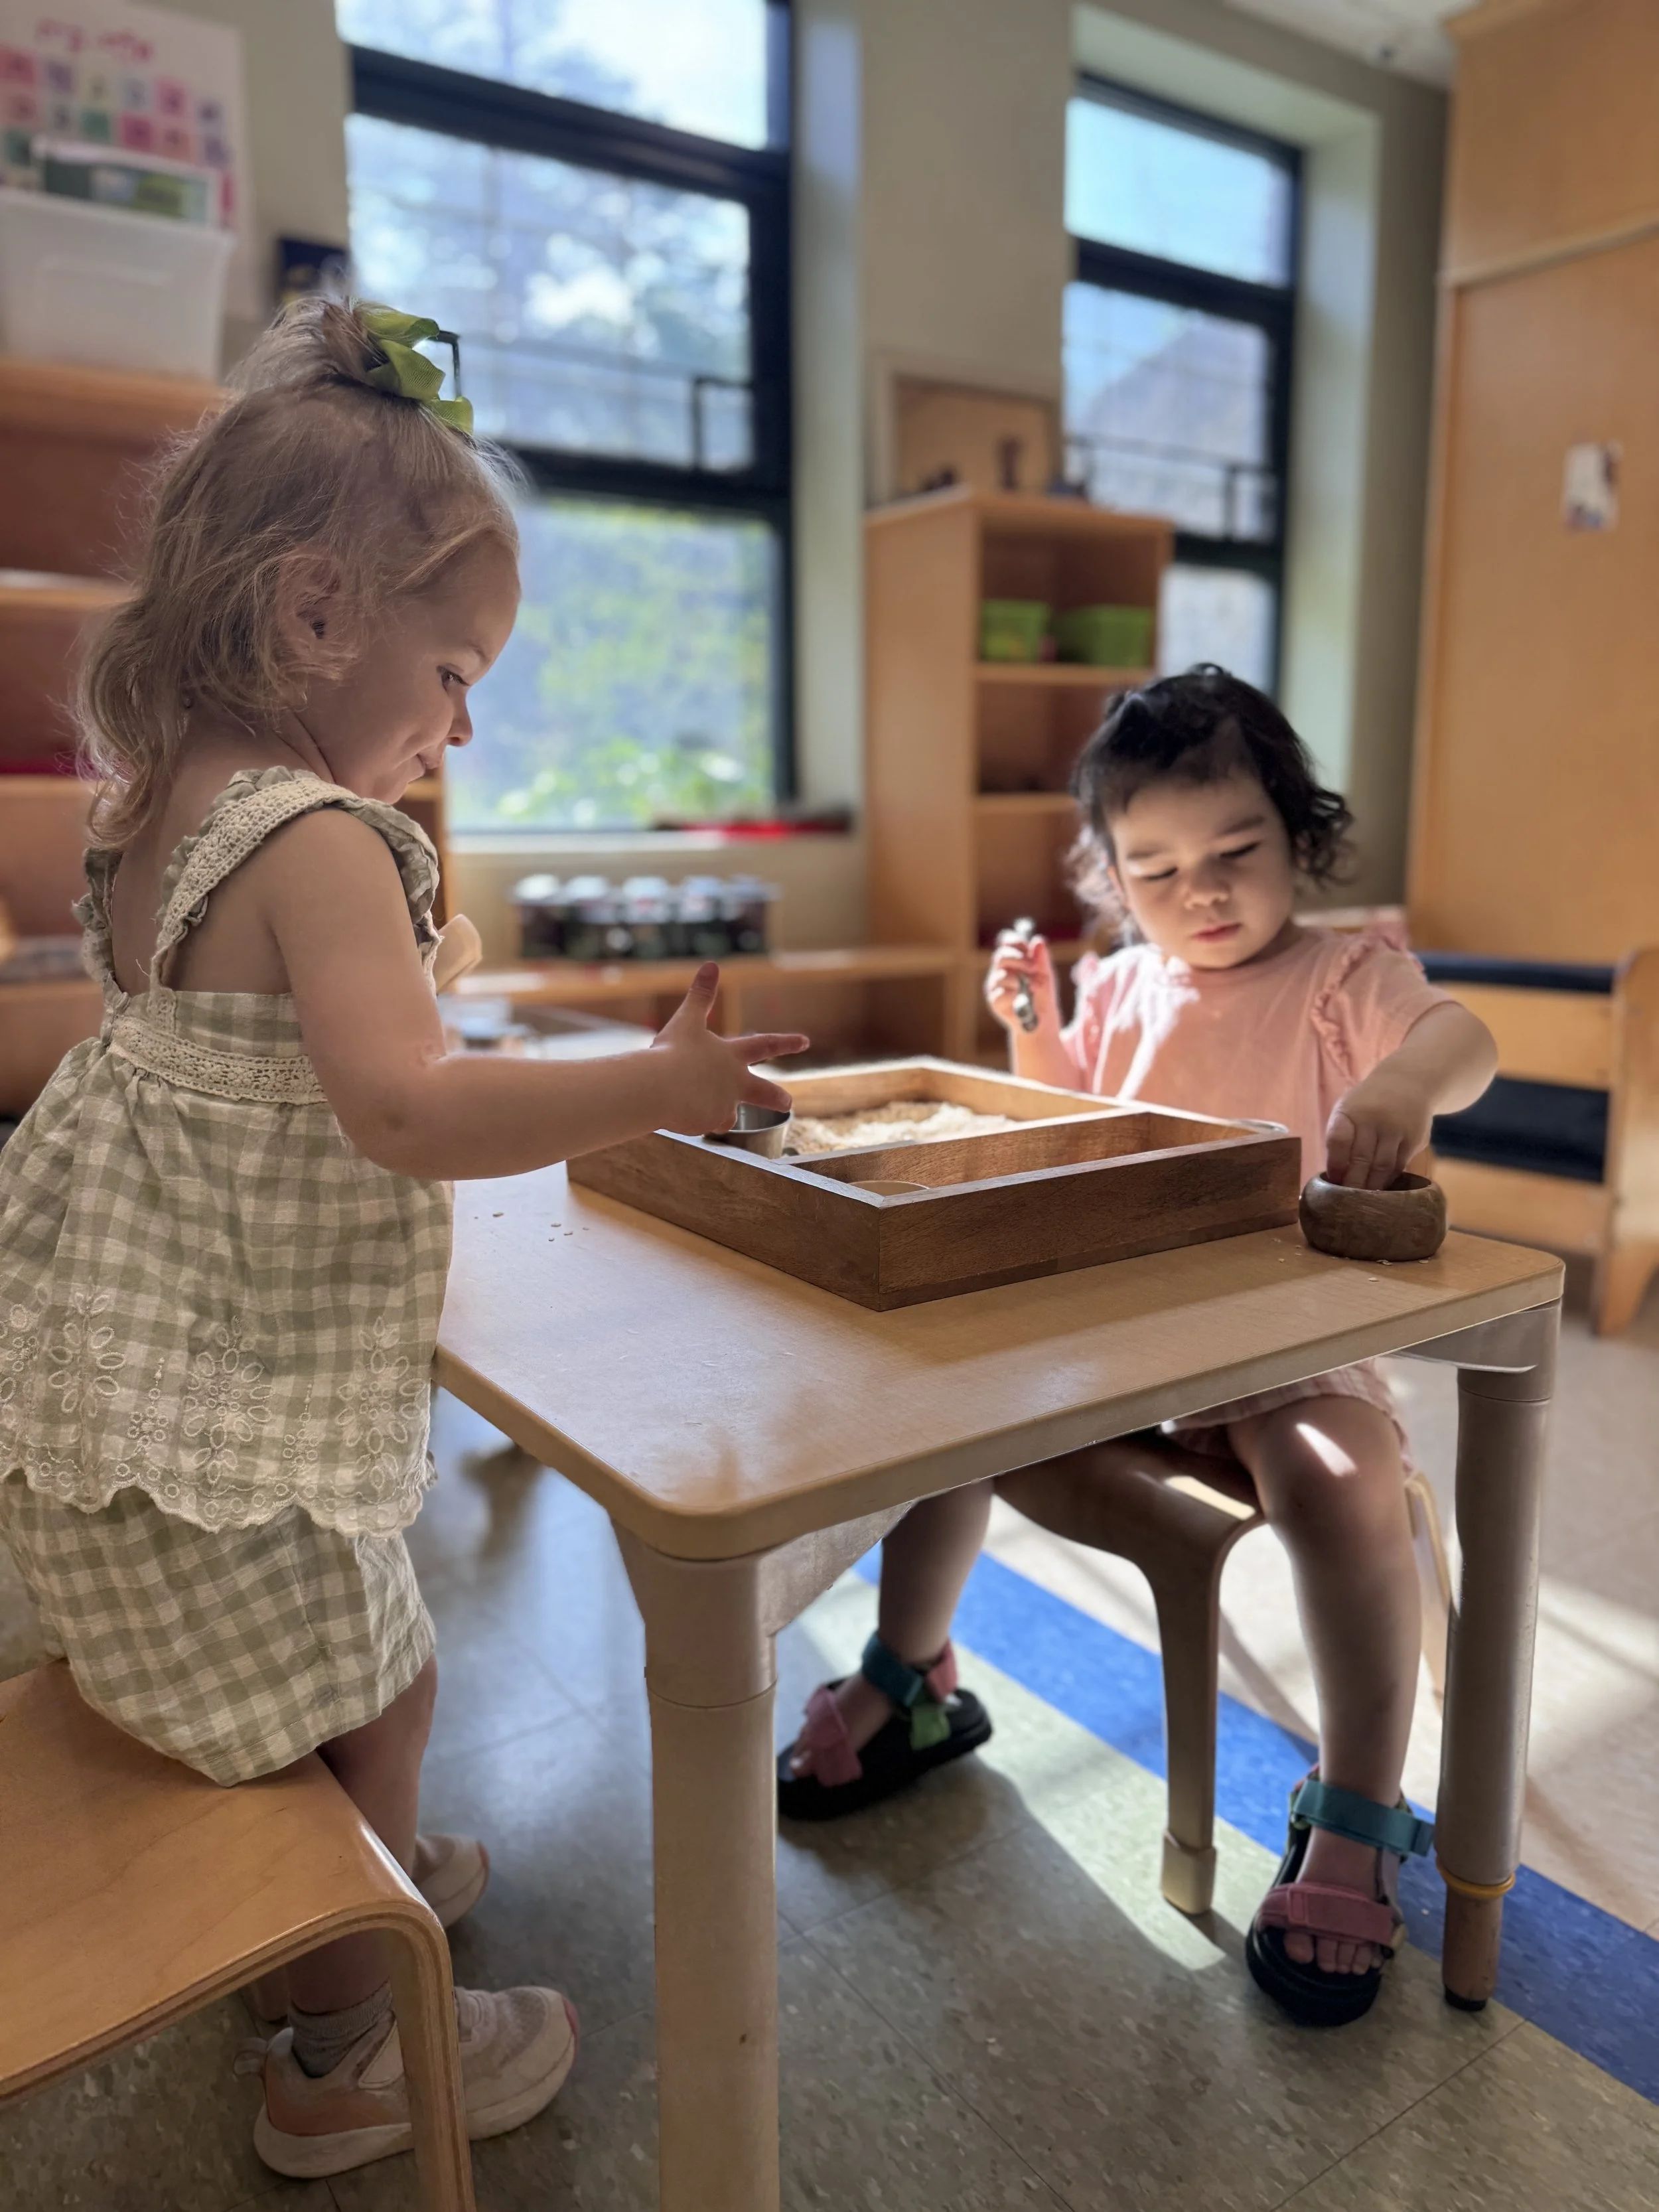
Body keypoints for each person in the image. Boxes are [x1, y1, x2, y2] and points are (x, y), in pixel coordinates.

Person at [0, 298, 806, 2176]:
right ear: (311, 615)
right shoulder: (320, 838)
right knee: (397, 1663)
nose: (462, 722)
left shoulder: (140, 827)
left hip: (122, 1409)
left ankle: (343, 1857)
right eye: (452, 670)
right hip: (220, 1428)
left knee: (334, 1652)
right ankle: (333, 2045)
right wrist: (652, 1087)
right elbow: (406, 1106)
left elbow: (258, 1077)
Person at [778, 666, 1496, 2029]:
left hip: (1285, 1349)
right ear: (1108, 876)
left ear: (1298, 836)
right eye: (1156, 868)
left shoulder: (1346, 978)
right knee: (944, 1404)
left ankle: (1356, 1800)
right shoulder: (1114, 986)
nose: (1203, 892)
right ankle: (912, 1669)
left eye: (1237, 852)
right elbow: (1066, 1123)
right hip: (1112, 1339)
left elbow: (1464, 1041)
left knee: (1343, 1490)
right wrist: (1034, 1034)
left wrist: (1399, 1080)